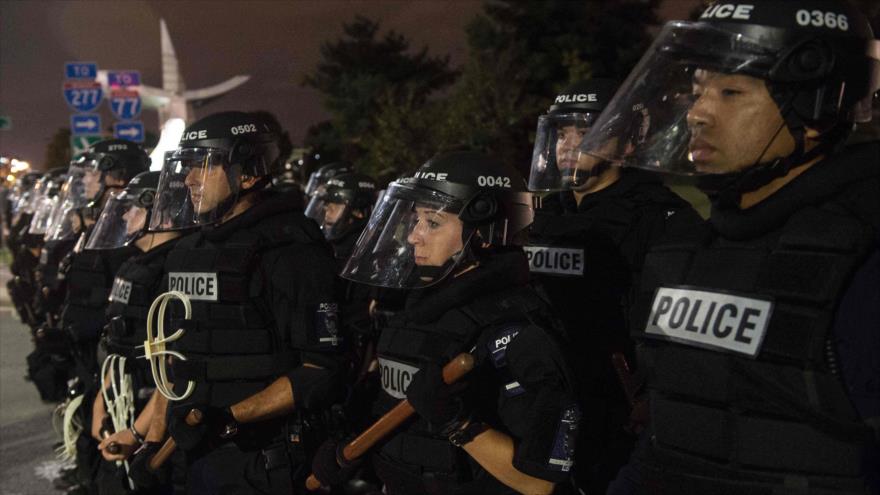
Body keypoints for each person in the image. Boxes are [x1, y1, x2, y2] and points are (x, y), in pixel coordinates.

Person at [576, 1, 880, 493]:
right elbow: (671, 433)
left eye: (731, 91)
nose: (696, 113)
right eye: (696, 92)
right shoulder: (687, 247)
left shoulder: (860, 261)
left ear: (817, 105)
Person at [313, 150, 580, 494]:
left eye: (433, 222)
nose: (413, 236)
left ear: (484, 231)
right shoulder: (418, 311)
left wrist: (459, 423)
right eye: (415, 220)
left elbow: (539, 482)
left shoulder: (516, 331)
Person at [144, 110, 344, 494]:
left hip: (261, 460)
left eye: (204, 166)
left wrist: (229, 419)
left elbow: (322, 369)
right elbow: (175, 363)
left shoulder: (290, 250)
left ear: (249, 173)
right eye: (187, 167)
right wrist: (152, 443)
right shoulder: (189, 251)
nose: (188, 179)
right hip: (192, 453)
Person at [526, 79, 703, 493]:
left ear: (627, 145)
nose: (567, 145)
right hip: (548, 398)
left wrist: (650, 401)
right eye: (560, 134)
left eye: (584, 132)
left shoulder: (663, 220)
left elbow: (679, 334)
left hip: (622, 412)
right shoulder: (546, 216)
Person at [74, 171, 185, 494]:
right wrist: (102, 400)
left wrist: (138, 434)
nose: (124, 214)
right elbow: (119, 343)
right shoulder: (136, 263)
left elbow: (171, 369)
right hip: (126, 399)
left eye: (132, 207)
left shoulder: (173, 270)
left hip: (153, 418)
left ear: (159, 211)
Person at [58, 139, 150, 494]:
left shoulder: (125, 231)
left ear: (117, 176)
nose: (87, 182)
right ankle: (91, 477)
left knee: (112, 421)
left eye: (95, 174)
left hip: (110, 349)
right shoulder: (100, 224)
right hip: (87, 345)